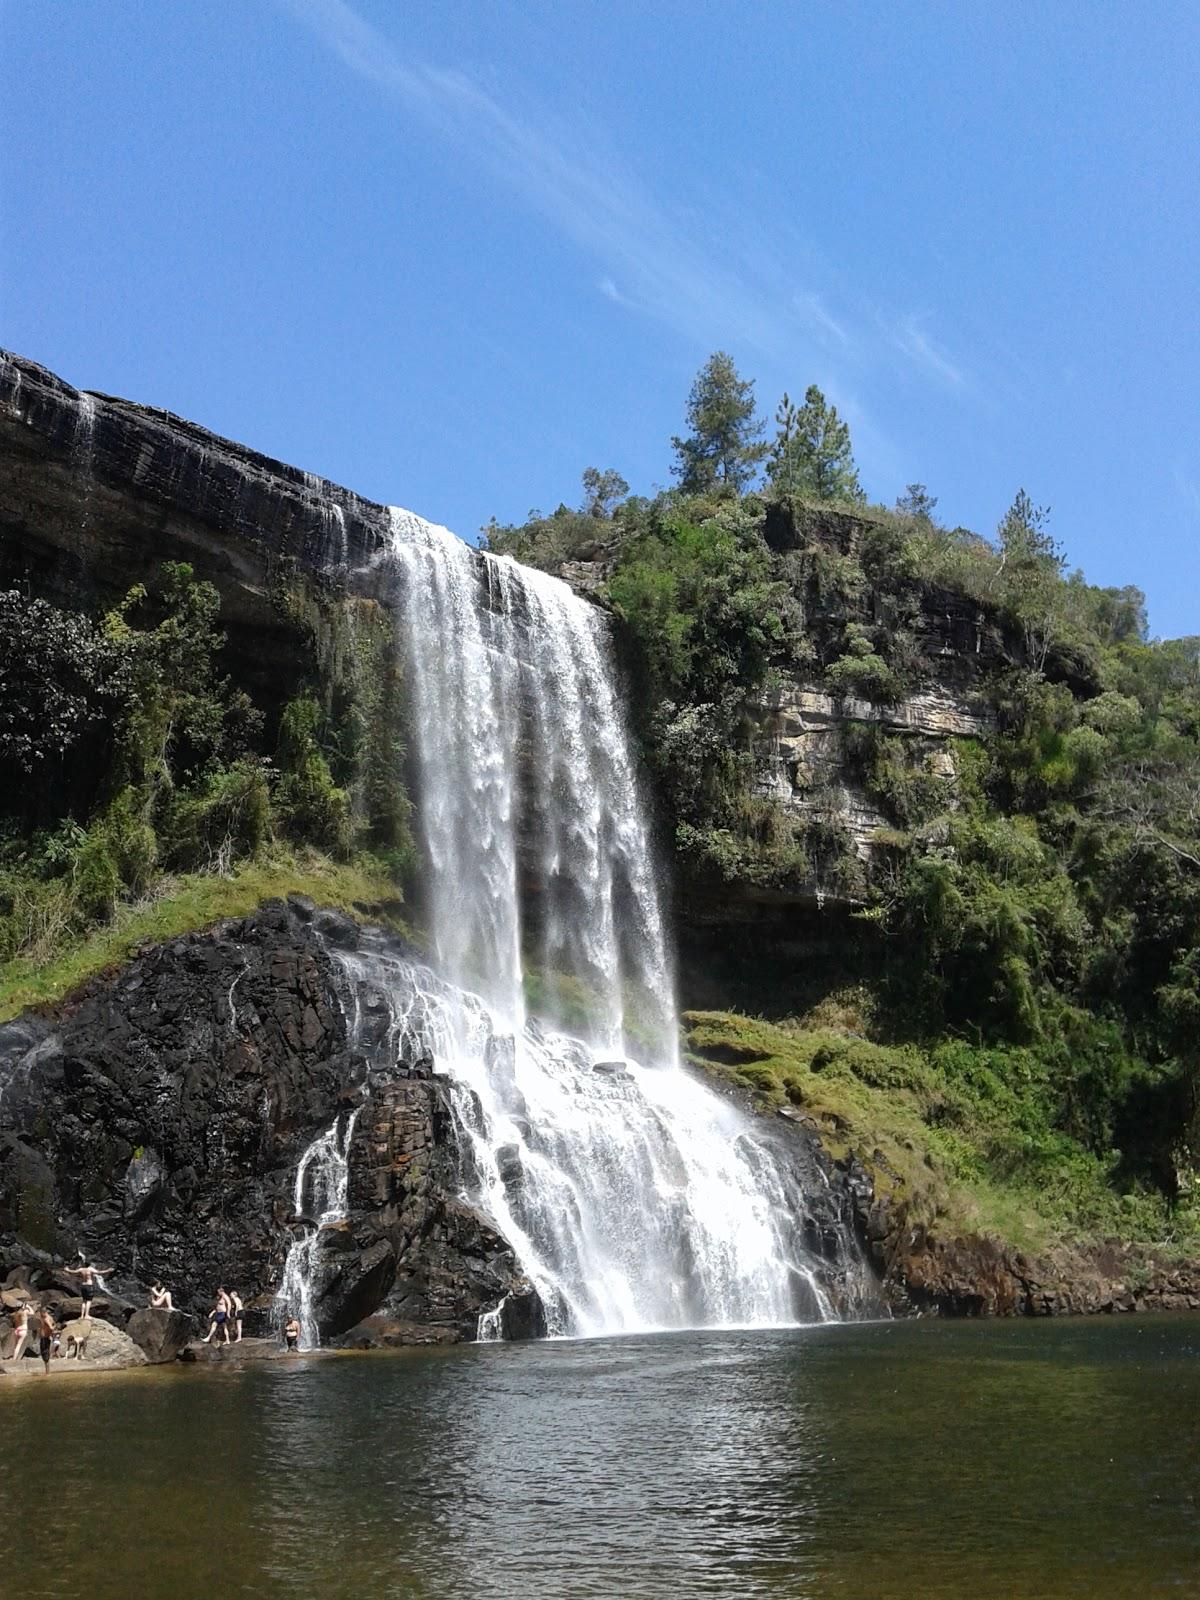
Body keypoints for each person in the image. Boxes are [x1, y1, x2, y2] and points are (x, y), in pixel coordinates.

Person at [62, 1255, 107, 1320]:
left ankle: (82, 1316)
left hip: (83, 1286)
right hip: (89, 1286)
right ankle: (86, 1315)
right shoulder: (90, 1269)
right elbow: (99, 1272)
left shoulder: (81, 1269)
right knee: (89, 1301)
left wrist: (67, 1270)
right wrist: (108, 1270)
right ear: (90, 1264)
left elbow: (73, 1272)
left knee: (84, 1301)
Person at [36, 1304, 56, 1375]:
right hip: (46, 1337)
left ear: (42, 1312)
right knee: (45, 1354)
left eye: (40, 1313)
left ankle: (48, 1373)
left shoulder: (46, 1318)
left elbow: (51, 1327)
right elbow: (54, 1324)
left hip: (45, 1338)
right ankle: (47, 1372)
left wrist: (51, 1332)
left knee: (45, 1355)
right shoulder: (49, 1317)